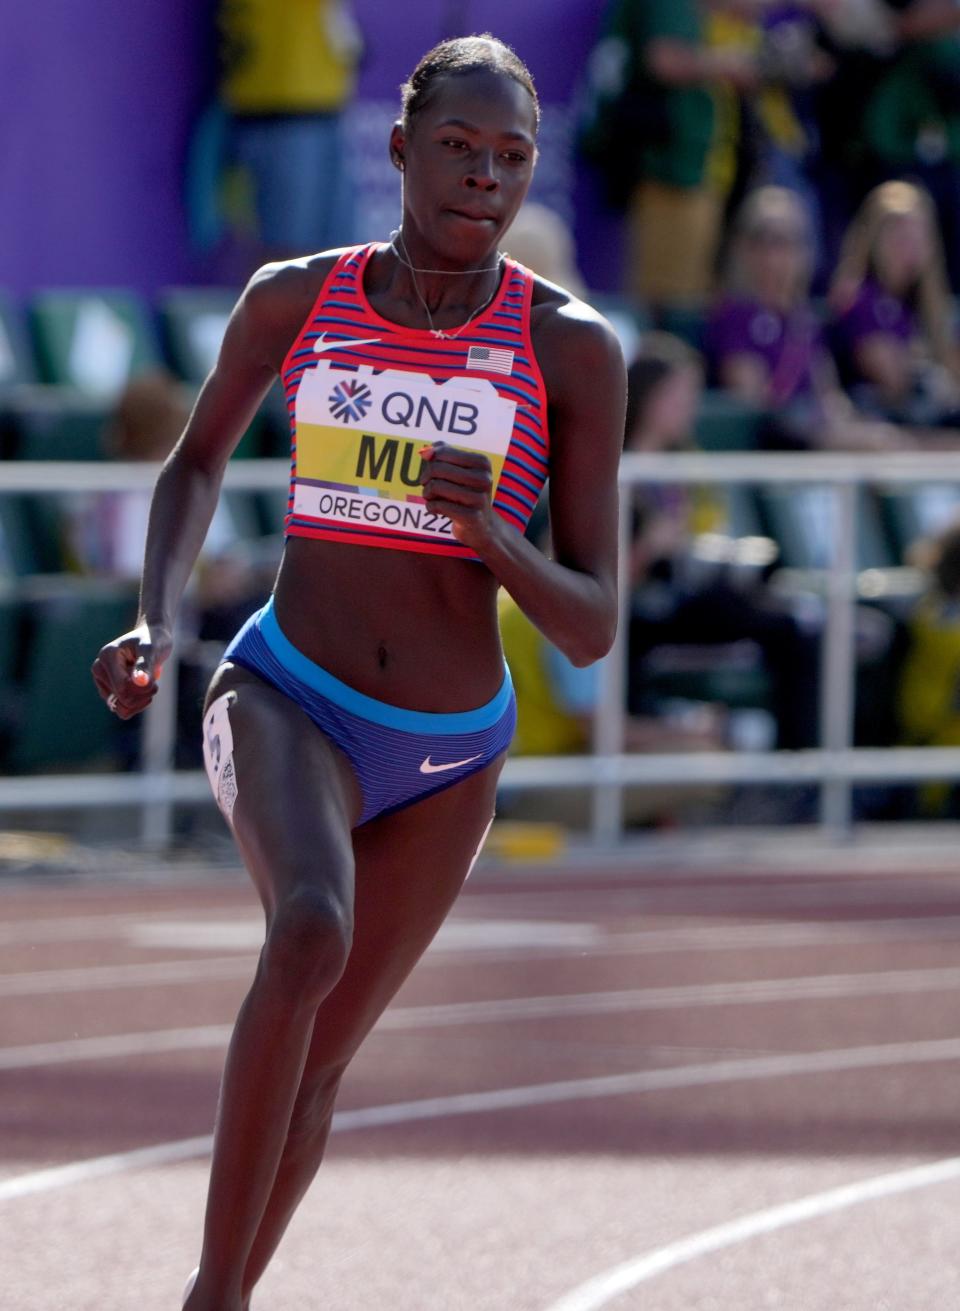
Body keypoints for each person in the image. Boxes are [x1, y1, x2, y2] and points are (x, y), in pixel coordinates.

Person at [91, 34, 625, 1311]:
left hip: (451, 750)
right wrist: (159, 618)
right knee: (310, 930)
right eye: (457, 147)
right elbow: (196, 460)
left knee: (320, 1068)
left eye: (512, 157)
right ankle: (211, 1301)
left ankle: (221, 1295)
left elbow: (594, 622)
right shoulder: (295, 297)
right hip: (290, 691)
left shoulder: (573, 350)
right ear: (398, 149)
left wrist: (495, 533)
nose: (485, 178)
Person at [705, 184, 899, 448]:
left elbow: (829, 398)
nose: (776, 255)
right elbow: (757, 405)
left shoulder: (804, 321)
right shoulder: (734, 315)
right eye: (765, 240)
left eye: (789, 242)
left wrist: (858, 427)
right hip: (773, 450)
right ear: (743, 248)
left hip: (816, 447)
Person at [828, 179, 960, 425]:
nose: (908, 244)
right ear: (873, 237)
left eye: (917, 233)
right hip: (873, 428)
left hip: (922, 429)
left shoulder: (926, 307)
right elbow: (893, 379)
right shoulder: (856, 299)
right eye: (897, 232)